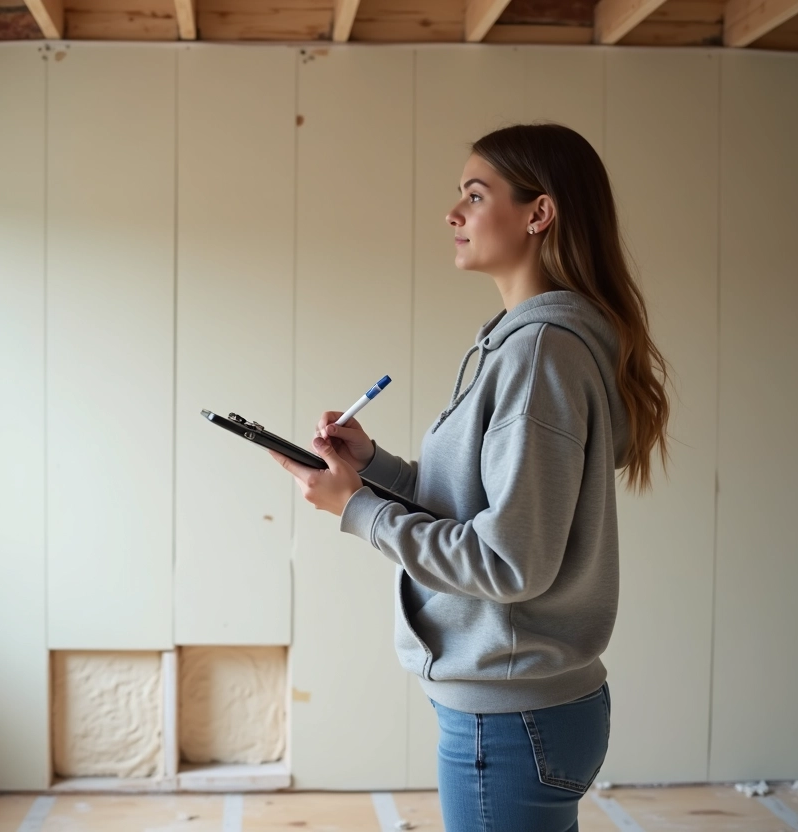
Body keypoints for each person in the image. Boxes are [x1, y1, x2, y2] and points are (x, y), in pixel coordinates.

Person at [268, 122, 672, 831]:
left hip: (512, 718)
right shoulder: (527, 344)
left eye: (476, 195)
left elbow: (509, 561)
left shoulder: (539, 355)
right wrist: (372, 468)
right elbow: (482, 503)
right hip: (526, 708)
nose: (453, 214)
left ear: (538, 214)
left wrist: (359, 510)